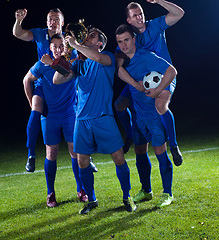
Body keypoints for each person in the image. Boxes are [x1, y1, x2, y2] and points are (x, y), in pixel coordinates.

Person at [53, 28, 136, 214]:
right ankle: (91, 200)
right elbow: (57, 79)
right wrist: (66, 54)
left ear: (100, 43)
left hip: (103, 117)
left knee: (118, 158)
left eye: (92, 35)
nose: (87, 36)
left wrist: (75, 44)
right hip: (82, 120)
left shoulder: (106, 56)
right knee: (82, 161)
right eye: (87, 34)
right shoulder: (79, 64)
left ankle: (127, 196)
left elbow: (98, 58)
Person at [13, 8, 98, 173]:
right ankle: (31, 155)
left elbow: (75, 67)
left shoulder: (69, 41)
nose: (53, 22)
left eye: (56, 19)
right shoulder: (40, 34)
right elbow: (19, 33)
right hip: (45, 82)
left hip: (66, 87)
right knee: (36, 109)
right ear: (46, 22)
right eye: (50, 19)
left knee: (80, 113)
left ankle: (87, 156)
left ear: (62, 22)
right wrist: (18, 20)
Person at [114, 1, 184, 166]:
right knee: (119, 105)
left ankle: (173, 146)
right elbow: (117, 67)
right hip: (142, 80)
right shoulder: (129, 37)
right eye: (135, 15)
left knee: (160, 107)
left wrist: (159, 0)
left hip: (163, 76)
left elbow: (179, 13)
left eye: (140, 13)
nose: (139, 17)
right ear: (129, 20)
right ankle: (130, 134)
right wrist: (133, 83)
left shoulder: (155, 25)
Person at [115, 24, 177, 207]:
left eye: (127, 40)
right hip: (138, 117)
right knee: (140, 151)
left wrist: (158, 90)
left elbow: (172, 71)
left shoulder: (147, 57)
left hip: (153, 117)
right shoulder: (122, 61)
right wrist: (135, 84)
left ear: (134, 39)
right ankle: (146, 191)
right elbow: (118, 71)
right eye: (120, 42)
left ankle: (168, 193)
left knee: (160, 152)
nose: (124, 45)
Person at [23, 34, 86, 207]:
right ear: (50, 48)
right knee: (51, 153)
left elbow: (72, 72)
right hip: (49, 115)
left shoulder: (72, 61)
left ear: (66, 48)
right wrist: (32, 104)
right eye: (55, 46)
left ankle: (81, 189)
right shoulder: (42, 64)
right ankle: (50, 193)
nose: (58, 49)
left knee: (75, 152)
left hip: (69, 114)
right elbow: (27, 80)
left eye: (61, 46)